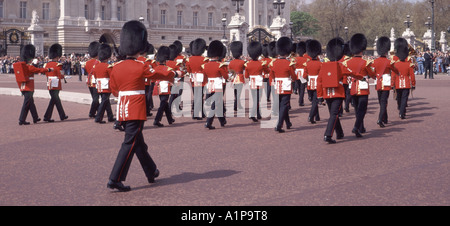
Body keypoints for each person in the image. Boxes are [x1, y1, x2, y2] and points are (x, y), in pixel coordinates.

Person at [108, 20, 167, 192]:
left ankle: (151, 171)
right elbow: (157, 74)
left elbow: (114, 90)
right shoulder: (140, 66)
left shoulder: (116, 67)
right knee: (129, 143)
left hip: (123, 108)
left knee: (138, 143)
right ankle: (115, 178)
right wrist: (174, 72)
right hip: (135, 109)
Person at [344, 33, 376, 137]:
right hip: (362, 88)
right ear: (362, 49)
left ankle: (361, 128)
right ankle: (356, 127)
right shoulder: (366, 62)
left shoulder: (346, 62)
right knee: (362, 109)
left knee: (357, 109)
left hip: (352, 87)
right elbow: (373, 75)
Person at [317, 37, 346, 144]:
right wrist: (360, 77)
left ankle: (340, 133)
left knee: (334, 114)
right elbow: (352, 73)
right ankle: (328, 135)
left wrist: (320, 96)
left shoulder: (323, 66)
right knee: (334, 114)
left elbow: (319, 81)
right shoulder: (341, 66)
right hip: (337, 93)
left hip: (327, 94)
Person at [13, 44, 52, 125]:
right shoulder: (29, 67)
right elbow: (39, 70)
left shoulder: (24, 66)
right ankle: (21, 120)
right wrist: (48, 69)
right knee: (26, 104)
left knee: (31, 103)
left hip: (23, 87)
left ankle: (35, 117)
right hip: (29, 88)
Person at [269, 37, 296, 133]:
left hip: (277, 85)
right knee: (284, 105)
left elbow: (271, 76)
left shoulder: (273, 63)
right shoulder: (289, 63)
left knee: (282, 105)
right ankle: (279, 125)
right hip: (286, 85)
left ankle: (288, 123)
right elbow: (294, 76)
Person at [203, 40, 229, 129]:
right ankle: (208, 122)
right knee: (215, 104)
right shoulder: (220, 65)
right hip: (217, 85)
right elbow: (225, 77)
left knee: (218, 103)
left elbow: (204, 77)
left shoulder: (205, 65)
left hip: (210, 85)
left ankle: (222, 120)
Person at [372, 36, 397, 127]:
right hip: (386, 83)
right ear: (386, 51)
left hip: (378, 83)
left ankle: (385, 118)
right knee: (384, 102)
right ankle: (380, 119)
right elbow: (395, 70)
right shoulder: (389, 62)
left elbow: (373, 73)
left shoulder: (375, 61)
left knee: (381, 102)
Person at [43, 43, 69, 123]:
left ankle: (62, 115)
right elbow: (61, 76)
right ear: (57, 56)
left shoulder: (46, 64)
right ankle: (47, 116)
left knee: (56, 100)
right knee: (54, 100)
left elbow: (46, 74)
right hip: (56, 84)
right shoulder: (58, 65)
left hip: (49, 83)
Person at [245, 41, 269, 122]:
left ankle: (258, 114)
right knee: (257, 99)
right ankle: (252, 114)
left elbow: (246, 76)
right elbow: (267, 71)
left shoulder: (248, 64)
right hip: (259, 82)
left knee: (255, 98)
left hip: (252, 82)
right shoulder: (261, 64)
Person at [153, 46, 177, 127]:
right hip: (165, 87)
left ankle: (170, 119)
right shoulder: (168, 69)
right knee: (163, 103)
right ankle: (157, 120)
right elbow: (171, 77)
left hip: (158, 86)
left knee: (165, 102)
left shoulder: (156, 68)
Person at [392, 38, 416, 119]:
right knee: (404, 98)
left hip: (398, 83)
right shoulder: (409, 64)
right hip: (406, 83)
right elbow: (412, 75)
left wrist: (392, 84)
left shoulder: (395, 64)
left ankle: (400, 108)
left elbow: (393, 75)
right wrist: (413, 84)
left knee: (399, 97)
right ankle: (402, 112)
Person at [186, 38, 208, 120]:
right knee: (200, 96)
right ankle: (197, 113)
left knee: (196, 96)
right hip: (201, 79)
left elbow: (188, 70)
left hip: (193, 79)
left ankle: (201, 112)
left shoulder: (189, 59)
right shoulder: (204, 60)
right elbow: (205, 70)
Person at [93, 44, 115, 124]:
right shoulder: (108, 66)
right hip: (106, 85)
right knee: (104, 101)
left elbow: (95, 76)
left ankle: (110, 117)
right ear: (107, 57)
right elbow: (112, 76)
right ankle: (98, 117)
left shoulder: (96, 66)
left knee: (106, 101)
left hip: (99, 85)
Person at [303, 39, 322, 124]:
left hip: (310, 84)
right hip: (318, 84)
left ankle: (317, 116)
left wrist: (302, 84)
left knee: (314, 100)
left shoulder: (307, 64)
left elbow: (303, 76)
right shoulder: (320, 64)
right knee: (315, 101)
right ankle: (311, 116)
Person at [84, 41, 101, 118]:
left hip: (89, 81)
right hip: (95, 81)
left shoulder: (87, 63)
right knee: (95, 99)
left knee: (94, 97)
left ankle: (99, 111)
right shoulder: (99, 62)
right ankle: (91, 113)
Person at [228, 41, 246, 112]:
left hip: (234, 78)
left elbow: (229, 70)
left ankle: (239, 105)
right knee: (239, 93)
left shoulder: (231, 62)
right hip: (240, 77)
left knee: (236, 92)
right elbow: (245, 68)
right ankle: (235, 106)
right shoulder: (242, 62)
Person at [294, 41, 309, 107]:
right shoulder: (306, 59)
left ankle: (300, 100)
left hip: (297, 74)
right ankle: (301, 101)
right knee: (302, 88)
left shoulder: (295, 59)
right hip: (303, 74)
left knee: (299, 87)